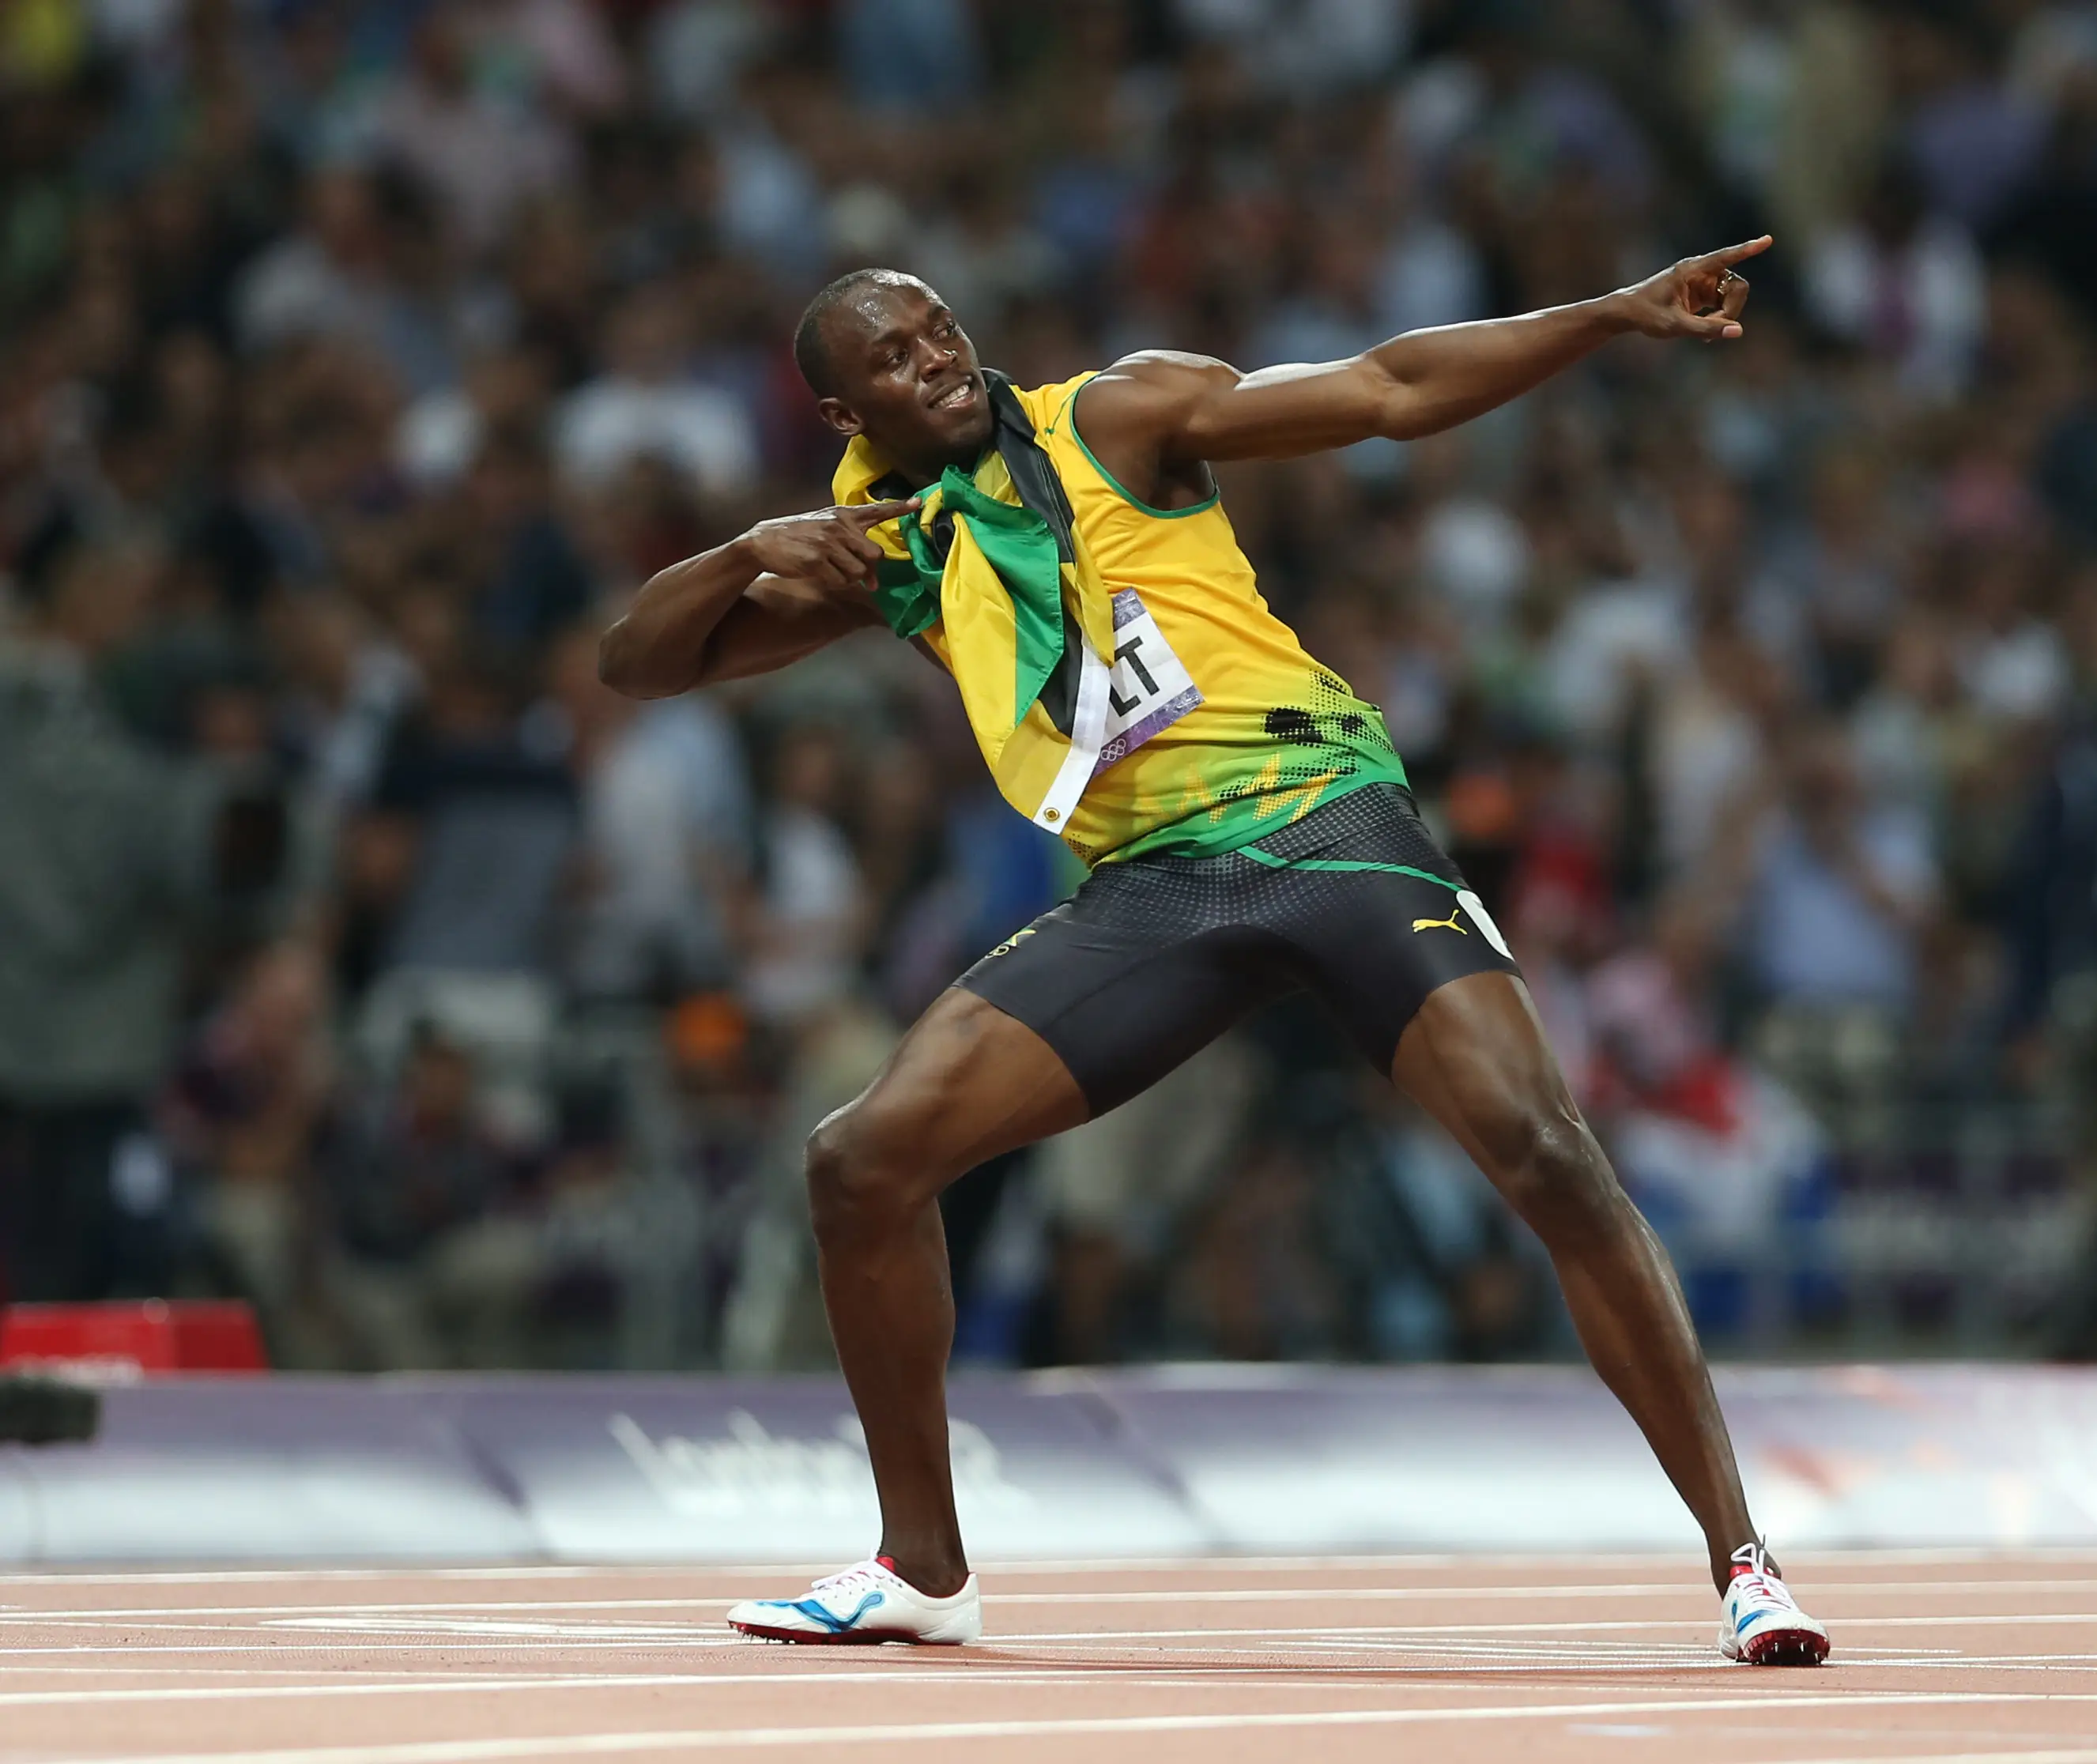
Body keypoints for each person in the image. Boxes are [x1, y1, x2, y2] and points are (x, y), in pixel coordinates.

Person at [597, 246, 1830, 1666]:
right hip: (1158, 888)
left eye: (941, 327)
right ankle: (922, 1566)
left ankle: (1745, 1563)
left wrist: (1604, 316)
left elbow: (1388, 388)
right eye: (894, 356)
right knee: (859, 1161)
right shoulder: (887, 550)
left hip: (1330, 825)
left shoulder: (1118, 417)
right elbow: (644, 664)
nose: (934, 357)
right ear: (838, 414)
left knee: (1544, 1150)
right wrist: (747, 552)